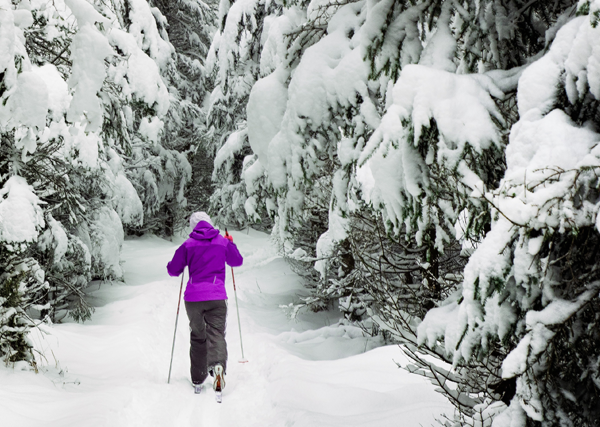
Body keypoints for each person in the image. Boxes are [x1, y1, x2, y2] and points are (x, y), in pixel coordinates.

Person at [166, 212, 243, 394]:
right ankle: (217, 367)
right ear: (209, 223)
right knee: (216, 334)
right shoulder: (222, 242)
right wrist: (230, 243)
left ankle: (198, 378)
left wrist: (180, 262)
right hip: (216, 297)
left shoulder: (188, 244)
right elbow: (236, 261)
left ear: (193, 226)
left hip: (193, 299)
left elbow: (173, 270)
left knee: (198, 336)